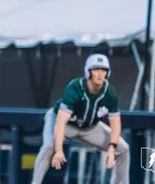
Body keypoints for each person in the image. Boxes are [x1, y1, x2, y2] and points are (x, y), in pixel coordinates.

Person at [31, 53, 130, 184]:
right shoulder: (75, 87)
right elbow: (61, 122)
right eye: (96, 69)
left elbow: (115, 123)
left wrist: (111, 148)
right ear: (88, 72)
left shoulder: (109, 92)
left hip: (89, 127)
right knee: (49, 146)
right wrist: (59, 150)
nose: (100, 73)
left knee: (123, 148)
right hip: (63, 124)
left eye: (103, 70)